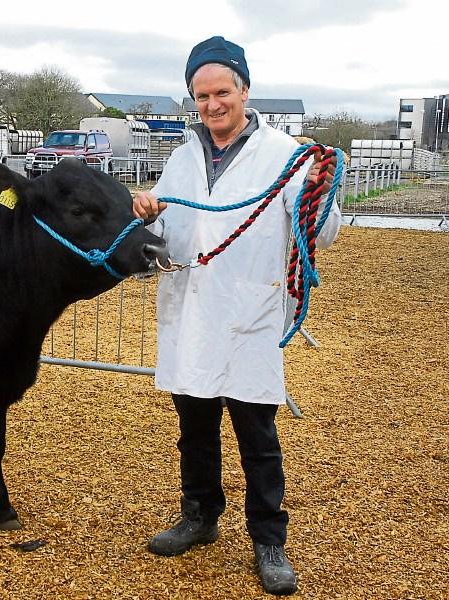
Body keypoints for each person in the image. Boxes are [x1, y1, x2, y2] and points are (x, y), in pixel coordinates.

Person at [133, 36, 341, 596]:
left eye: (222, 91)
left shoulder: (287, 155)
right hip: (193, 311)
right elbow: (172, 223)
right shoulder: (182, 156)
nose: (212, 104)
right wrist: (149, 209)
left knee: (257, 435)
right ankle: (200, 516)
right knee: (194, 430)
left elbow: (322, 231)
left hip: (250, 309)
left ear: (244, 90)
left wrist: (318, 200)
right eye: (201, 95)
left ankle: (269, 538)